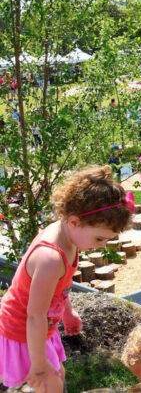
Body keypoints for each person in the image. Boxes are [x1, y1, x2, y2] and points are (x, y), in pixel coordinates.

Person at [0, 166, 132, 391]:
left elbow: (58, 287)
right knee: (50, 382)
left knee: (58, 376)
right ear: (74, 222)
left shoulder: (70, 238)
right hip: (23, 330)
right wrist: (39, 365)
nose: (101, 245)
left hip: (41, 327)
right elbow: (34, 315)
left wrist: (67, 312)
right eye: (99, 238)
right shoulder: (50, 258)